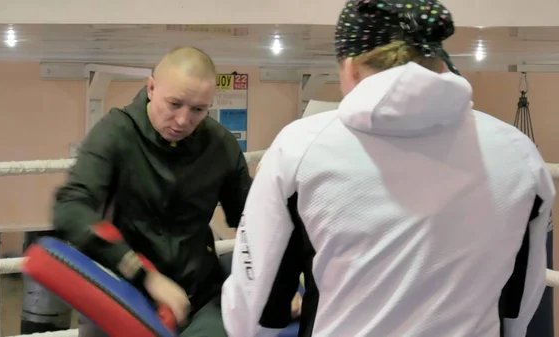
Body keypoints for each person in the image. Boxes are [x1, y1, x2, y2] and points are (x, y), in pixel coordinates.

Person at [221, 1, 555, 336]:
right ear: (439, 62)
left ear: (349, 66)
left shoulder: (297, 148)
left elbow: (255, 307)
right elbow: (519, 304)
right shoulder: (519, 155)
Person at [52, 46, 252, 337]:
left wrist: (274, 283)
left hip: (197, 297)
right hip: (125, 291)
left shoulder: (219, 144)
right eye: (174, 104)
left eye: (198, 109)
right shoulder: (116, 133)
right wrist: (145, 275)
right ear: (151, 88)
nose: (184, 121)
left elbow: (253, 219)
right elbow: (71, 207)